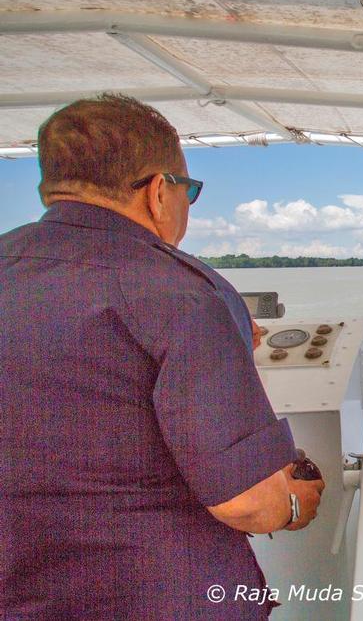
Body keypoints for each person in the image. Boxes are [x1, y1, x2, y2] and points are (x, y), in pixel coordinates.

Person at [0, 94, 325, 619]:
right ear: (158, 192)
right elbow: (248, 500)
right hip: (164, 597)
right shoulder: (181, 294)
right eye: (188, 192)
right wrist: (293, 504)